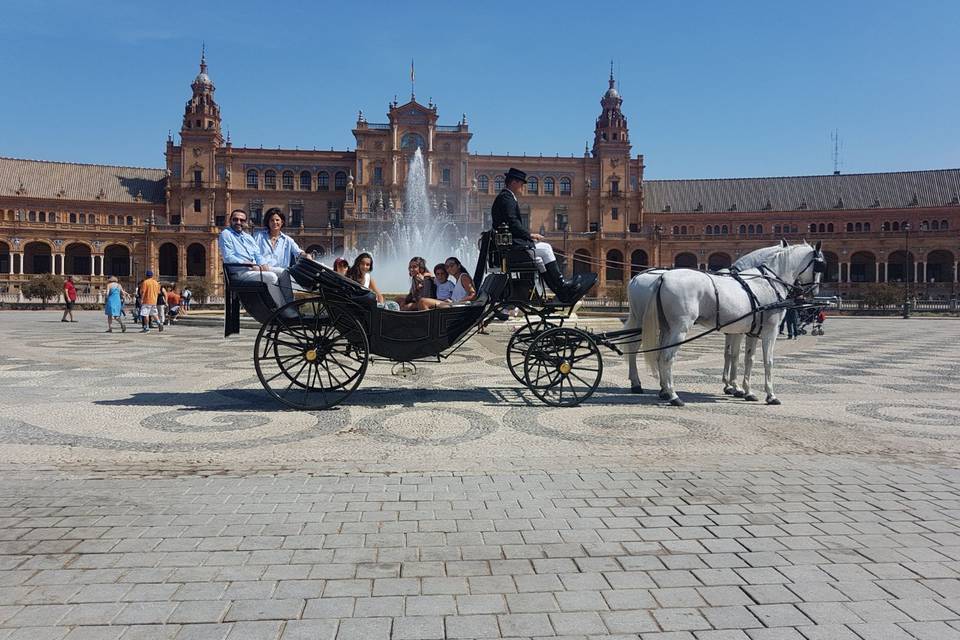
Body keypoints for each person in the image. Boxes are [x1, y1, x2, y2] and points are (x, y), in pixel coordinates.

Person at [492, 167, 595, 303]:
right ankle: (562, 286)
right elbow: (513, 223)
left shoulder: (504, 198)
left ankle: (553, 291)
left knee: (540, 261)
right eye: (522, 184)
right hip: (513, 248)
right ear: (514, 182)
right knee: (546, 248)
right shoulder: (507, 198)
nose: (523, 187)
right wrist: (530, 236)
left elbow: (512, 224)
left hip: (509, 247)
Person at [218, 208, 289, 309]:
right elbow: (228, 257)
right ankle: (283, 308)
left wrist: (263, 264)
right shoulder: (226, 234)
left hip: (254, 270)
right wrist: (249, 264)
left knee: (284, 272)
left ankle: (290, 304)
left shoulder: (248, 237)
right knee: (271, 277)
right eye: (235, 219)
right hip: (240, 273)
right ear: (230, 220)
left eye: (242, 220)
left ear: (245, 222)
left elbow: (258, 255)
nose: (238, 222)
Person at [254, 208, 305, 303]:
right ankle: (289, 305)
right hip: (263, 271)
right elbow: (252, 252)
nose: (275, 222)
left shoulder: (288, 240)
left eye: (277, 220)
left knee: (283, 273)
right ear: (268, 222)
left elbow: (299, 252)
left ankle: (287, 307)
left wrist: (306, 255)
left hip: (280, 275)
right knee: (284, 272)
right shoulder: (258, 236)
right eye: (272, 220)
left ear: (282, 222)